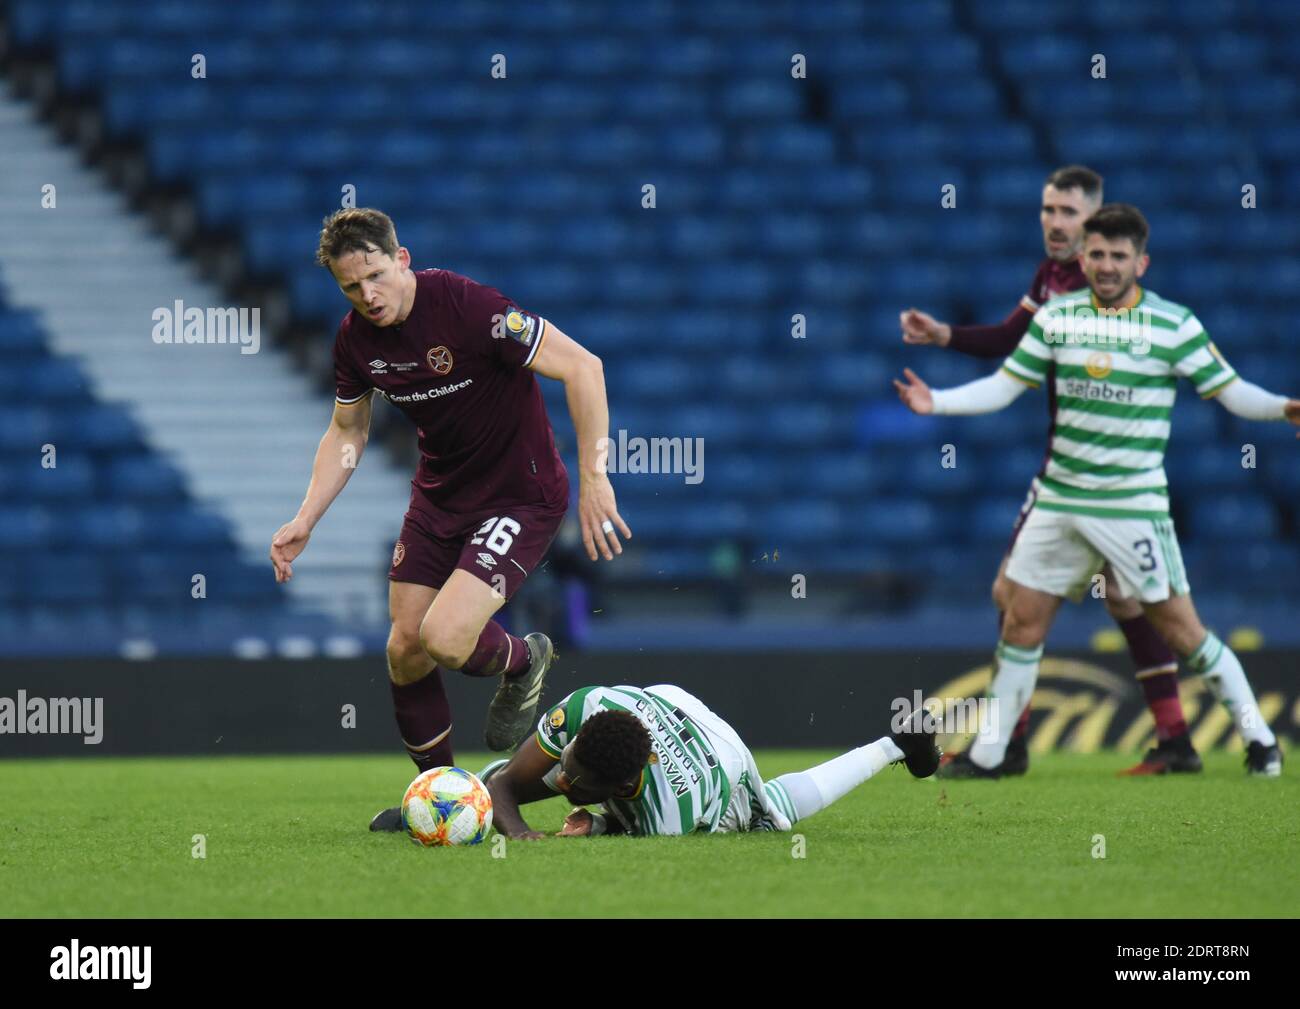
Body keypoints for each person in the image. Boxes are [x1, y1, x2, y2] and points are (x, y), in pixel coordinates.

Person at [895, 203, 1295, 778]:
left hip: (1131, 507)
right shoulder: (1058, 319)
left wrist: (1283, 408)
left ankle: (1260, 741)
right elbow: (1005, 387)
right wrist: (941, 402)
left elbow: (1230, 392)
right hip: (1059, 499)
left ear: (1142, 262)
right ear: (1082, 259)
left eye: (1119, 255)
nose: (1107, 266)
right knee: (1021, 620)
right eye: (1098, 254)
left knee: (1183, 631)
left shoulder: (1173, 324)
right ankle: (990, 754)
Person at [268, 209, 631, 829]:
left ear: (401, 257)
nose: (368, 296)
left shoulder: (469, 307)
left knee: (444, 638)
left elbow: (583, 366)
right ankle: (443, 796)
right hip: (439, 499)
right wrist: (308, 516)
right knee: (406, 649)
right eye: (351, 288)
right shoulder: (355, 341)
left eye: (376, 276)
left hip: (521, 495)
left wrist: (595, 476)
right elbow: (347, 431)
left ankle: (524, 659)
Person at [482, 684, 941, 839]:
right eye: (567, 763)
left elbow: (625, 824)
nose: (562, 778)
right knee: (516, 780)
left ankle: (895, 745)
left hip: (721, 760)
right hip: (666, 701)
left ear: (621, 788)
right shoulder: (589, 705)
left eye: (578, 783)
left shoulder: (672, 818)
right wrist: (519, 832)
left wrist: (600, 825)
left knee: (771, 817)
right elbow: (506, 784)